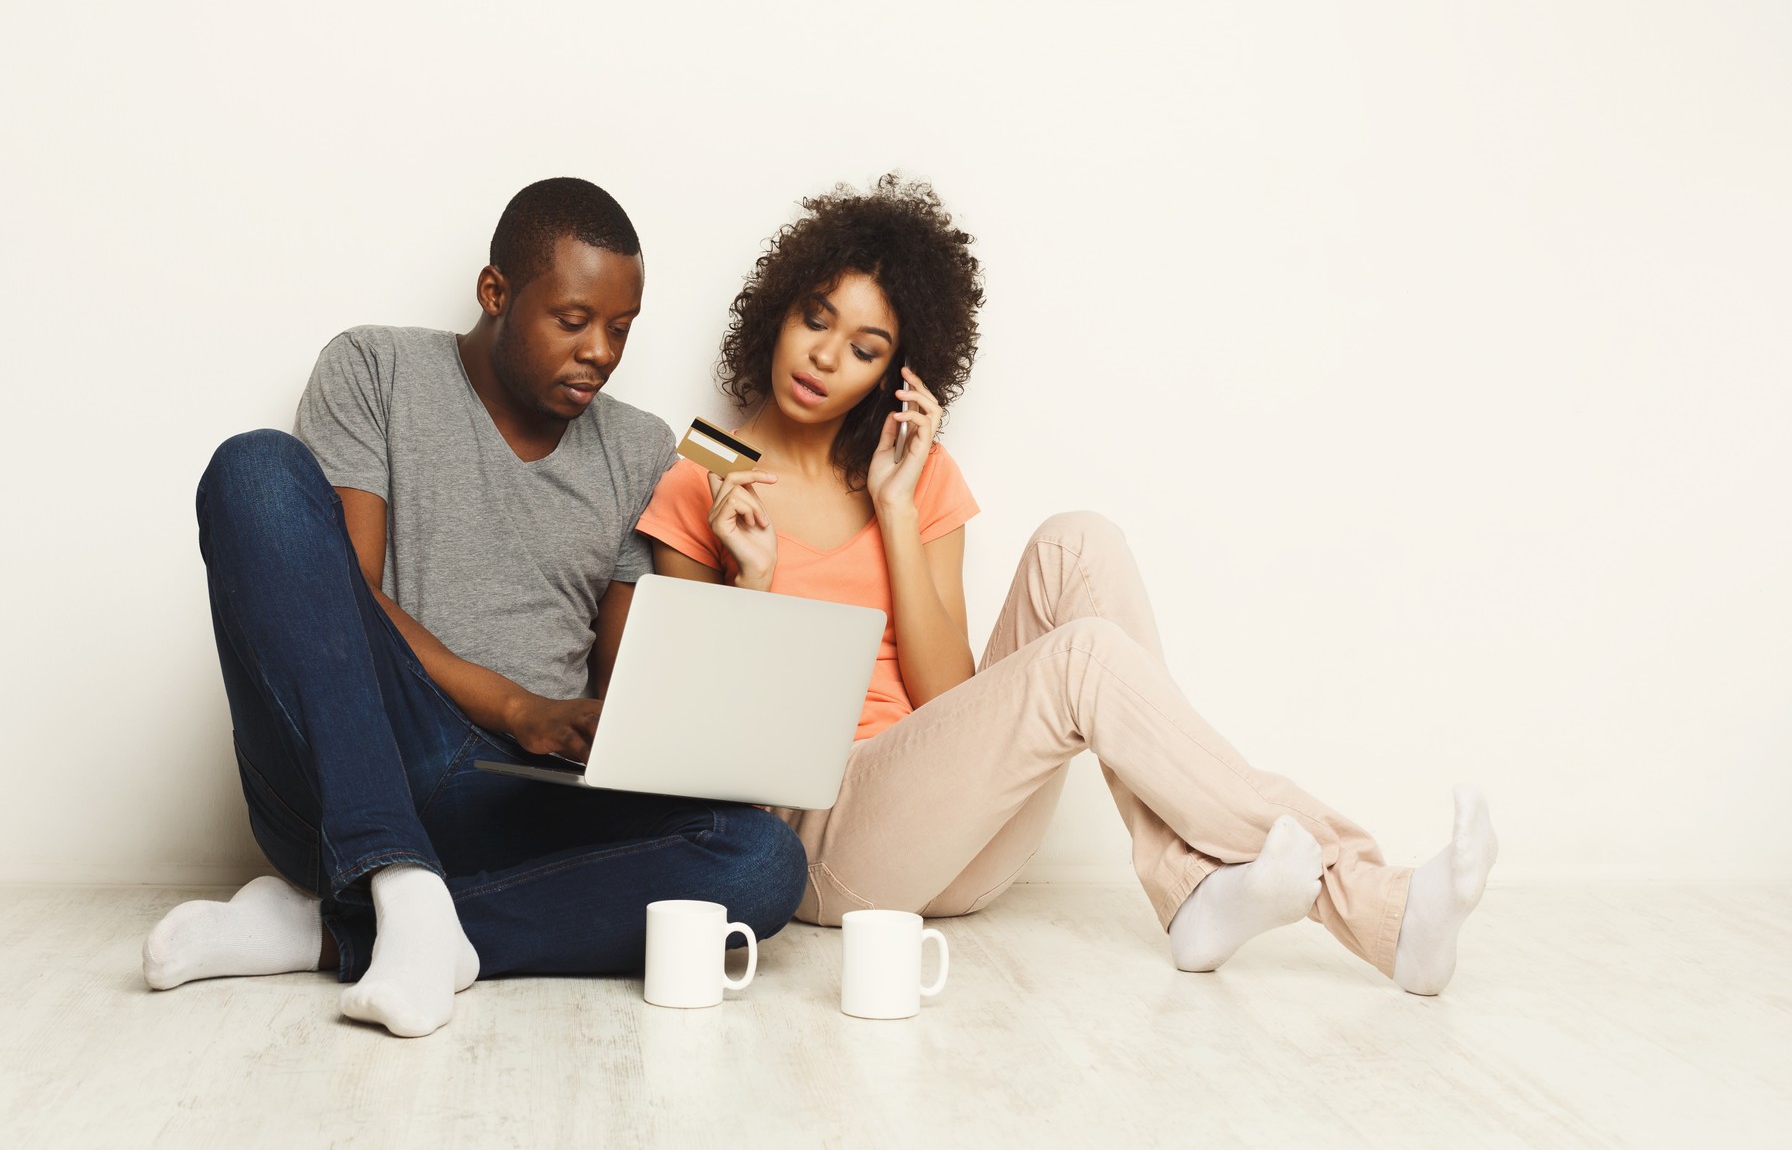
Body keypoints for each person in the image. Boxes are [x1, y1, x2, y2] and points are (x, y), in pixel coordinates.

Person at [637, 175, 1498, 994]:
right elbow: (705, 753)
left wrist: (897, 512)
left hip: (954, 827)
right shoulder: (709, 474)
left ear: (896, 372)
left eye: (864, 349)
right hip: (822, 846)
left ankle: (1191, 883)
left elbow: (947, 696)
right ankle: (1374, 903)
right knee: (1082, 659)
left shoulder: (914, 472)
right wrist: (751, 579)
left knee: (1078, 543)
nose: (825, 358)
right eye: (814, 321)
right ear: (778, 310)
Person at [143, 178, 807, 1037]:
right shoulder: (373, 369)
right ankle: (395, 874)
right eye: (574, 320)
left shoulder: (642, 447)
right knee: (256, 470)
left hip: (516, 805)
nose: (600, 352)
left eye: (620, 329)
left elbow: (625, 684)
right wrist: (516, 707)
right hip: (356, 760)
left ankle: (340, 928)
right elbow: (346, 607)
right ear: (496, 293)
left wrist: (738, 582)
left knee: (761, 865)